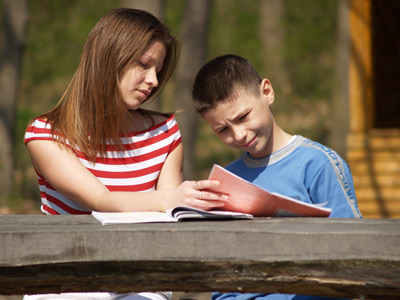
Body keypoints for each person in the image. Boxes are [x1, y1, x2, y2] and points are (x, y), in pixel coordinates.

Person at [24, 8, 227, 300]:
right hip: (65, 281)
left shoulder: (165, 132)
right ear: (108, 58)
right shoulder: (46, 134)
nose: (154, 81)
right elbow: (101, 201)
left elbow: (170, 218)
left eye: (157, 70)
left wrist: (199, 202)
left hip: (142, 281)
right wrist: (173, 197)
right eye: (144, 65)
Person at [191, 54, 362, 300]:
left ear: (267, 93)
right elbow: (223, 277)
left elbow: (355, 254)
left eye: (243, 117)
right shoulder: (227, 181)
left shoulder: (318, 164)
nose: (238, 134)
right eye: (222, 130)